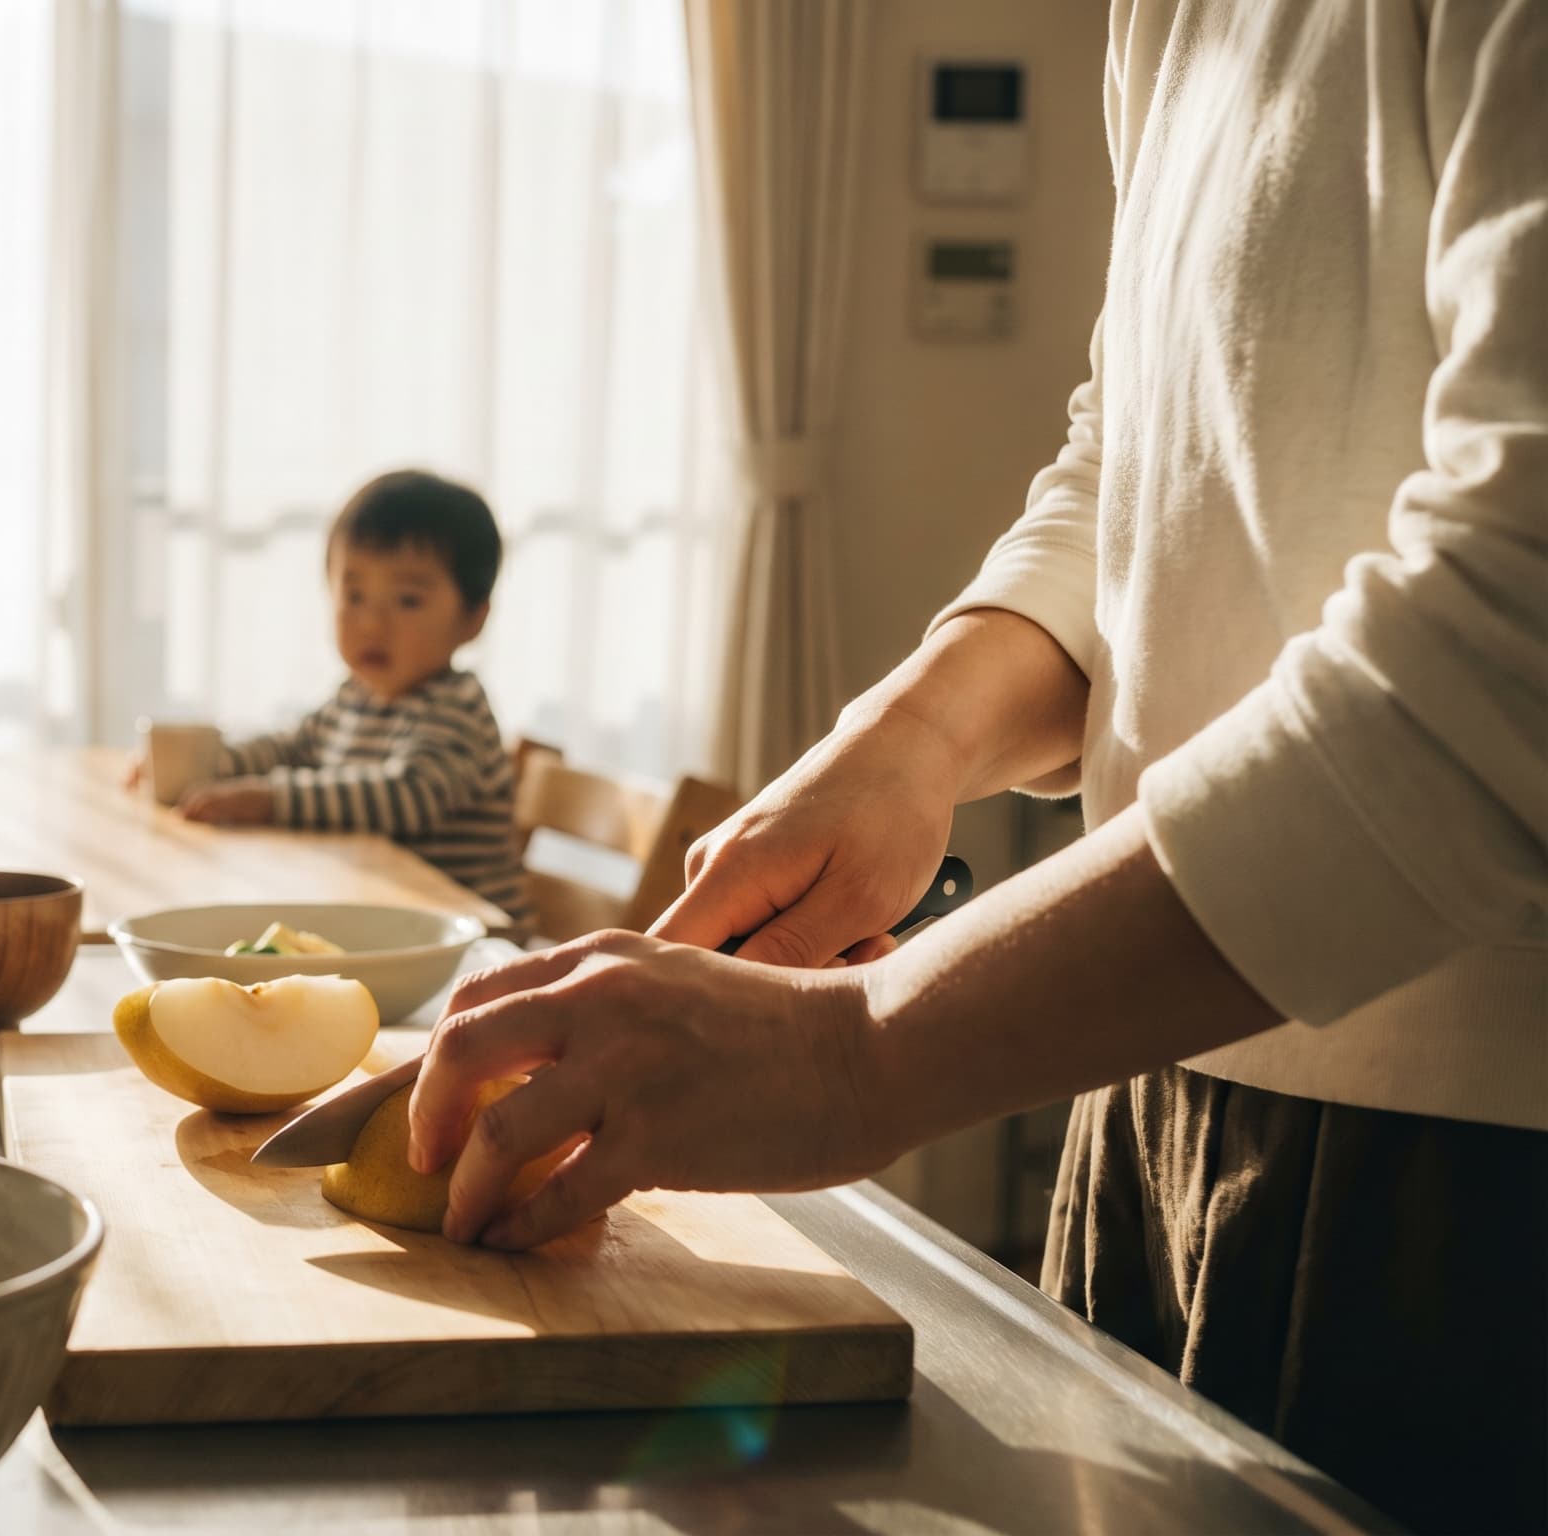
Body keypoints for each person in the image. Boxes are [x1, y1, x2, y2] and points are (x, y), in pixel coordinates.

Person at [405, 5, 1545, 1530]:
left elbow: (1516, 641)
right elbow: (1134, 458)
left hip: (1472, 1197)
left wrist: (857, 1049)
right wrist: (919, 735)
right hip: (1150, 1081)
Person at [166, 470, 533, 930]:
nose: (371, 623)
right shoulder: (354, 698)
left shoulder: (456, 707)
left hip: (469, 939)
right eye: (353, 595)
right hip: (387, 919)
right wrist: (205, 767)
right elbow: (293, 747)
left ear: (473, 620)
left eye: (407, 600)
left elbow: (405, 795)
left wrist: (271, 799)